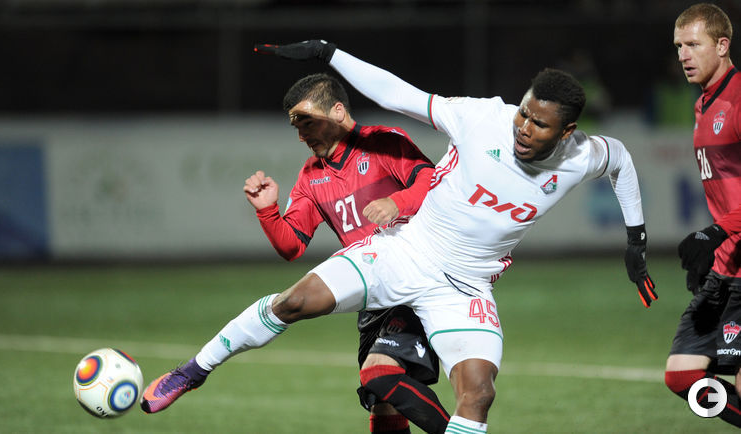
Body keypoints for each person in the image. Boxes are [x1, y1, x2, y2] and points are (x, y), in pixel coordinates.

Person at [141, 40, 656, 433]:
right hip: (407, 250)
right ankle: (192, 372)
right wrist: (329, 53)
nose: (523, 127)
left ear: (565, 133)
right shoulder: (482, 119)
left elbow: (622, 161)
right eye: (523, 112)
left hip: (466, 286)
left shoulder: (583, 155)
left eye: (539, 124)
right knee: (293, 303)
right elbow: (397, 93)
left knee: (477, 395)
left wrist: (635, 238)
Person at [242, 72, 450, 433]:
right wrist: (267, 211)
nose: (302, 135)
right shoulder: (311, 176)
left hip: (412, 281)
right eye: (296, 127)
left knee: (379, 373)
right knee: (382, 400)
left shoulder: (383, 142)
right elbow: (291, 246)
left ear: (337, 111)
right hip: (371, 294)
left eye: (307, 122)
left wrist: (396, 202)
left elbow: (430, 181)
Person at [665, 3, 741, 426]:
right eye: (679, 46)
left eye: (693, 44)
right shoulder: (704, 106)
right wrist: (714, 249)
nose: (683, 55)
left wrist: (714, 233)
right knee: (683, 375)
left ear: (723, 45)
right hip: (726, 265)